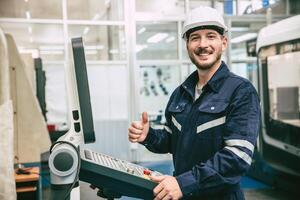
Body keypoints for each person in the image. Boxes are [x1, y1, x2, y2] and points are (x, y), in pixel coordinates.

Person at [128, 6, 260, 200]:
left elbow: (238, 156)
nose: (202, 44)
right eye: (195, 37)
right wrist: (149, 136)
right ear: (187, 45)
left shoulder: (241, 91)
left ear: (224, 43)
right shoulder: (180, 93)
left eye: (211, 36)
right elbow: (173, 141)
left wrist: (184, 183)